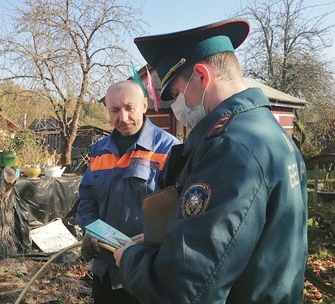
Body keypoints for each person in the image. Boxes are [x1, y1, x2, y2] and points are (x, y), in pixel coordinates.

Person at [113, 19, 308, 303]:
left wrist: (130, 259)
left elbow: (186, 287)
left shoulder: (230, 149)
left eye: (177, 94)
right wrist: (165, 240)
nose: (177, 106)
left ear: (202, 77)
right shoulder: (269, 132)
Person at [76, 80, 179, 303]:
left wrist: (152, 240)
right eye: (114, 110)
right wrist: (90, 228)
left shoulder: (169, 149)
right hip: (105, 269)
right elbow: (86, 198)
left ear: (144, 105)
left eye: (129, 108)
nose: (122, 118)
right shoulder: (99, 150)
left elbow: (179, 211)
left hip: (148, 270)